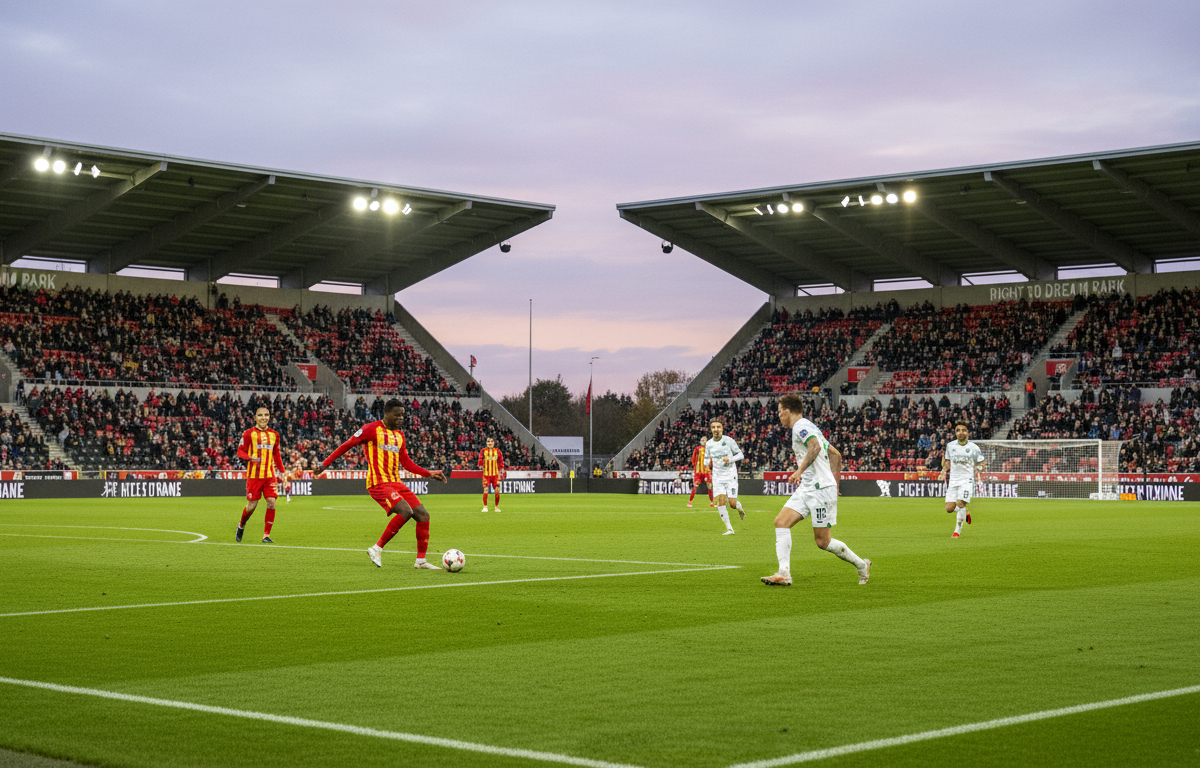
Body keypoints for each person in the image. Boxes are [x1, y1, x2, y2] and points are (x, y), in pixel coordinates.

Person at [317, 398, 448, 568]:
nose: (401, 418)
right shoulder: (371, 429)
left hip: (396, 483)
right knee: (405, 511)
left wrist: (428, 473)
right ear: (386, 414)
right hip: (378, 483)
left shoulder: (400, 436)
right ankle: (377, 548)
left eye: (402, 415)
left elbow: (406, 462)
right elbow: (347, 445)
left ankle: (421, 561)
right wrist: (324, 464)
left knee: (423, 516)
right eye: (397, 415)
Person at [762, 394, 870, 587]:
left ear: (787, 411)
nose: (779, 416)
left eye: (780, 413)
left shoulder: (801, 427)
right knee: (781, 522)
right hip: (809, 487)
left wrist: (799, 471)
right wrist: (835, 484)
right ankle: (784, 573)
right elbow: (835, 455)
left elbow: (815, 447)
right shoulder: (811, 427)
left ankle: (861, 564)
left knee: (823, 542)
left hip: (819, 490)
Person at [235, 406, 286, 544]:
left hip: (270, 475)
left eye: (266, 415)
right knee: (251, 506)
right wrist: (250, 457)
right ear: (255, 418)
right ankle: (241, 525)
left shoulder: (274, 435)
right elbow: (240, 452)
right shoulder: (248, 434)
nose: (264, 418)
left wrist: (282, 472)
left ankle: (266, 535)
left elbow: (276, 454)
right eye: (260, 415)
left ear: (269, 417)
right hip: (254, 476)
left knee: (271, 503)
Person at [939, 420, 985, 539]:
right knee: (949, 508)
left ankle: (957, 531)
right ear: (955, 432)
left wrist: (978, 468)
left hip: (967, 480)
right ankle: (965, 510)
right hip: (953, 481)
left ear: (967, 432)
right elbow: (948, 463)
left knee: (960, 503)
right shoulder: (950, 446)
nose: (961, 433)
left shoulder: (974, 447)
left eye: (963, 430)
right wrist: (943, 472)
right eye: (958, 430)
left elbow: (982, 464)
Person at [704, 419, 745, 535]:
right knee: (719, 502)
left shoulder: (729, 441)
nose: (716, 429)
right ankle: (729, 529)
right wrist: (706, 464)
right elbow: (706, 459)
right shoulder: (709, 444)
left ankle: (739, 507)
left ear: (722, 428)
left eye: (718, 427)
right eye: (713, 427)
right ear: (711, 429)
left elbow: (740, 455)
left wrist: (730, 459)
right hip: (717, 477)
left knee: (732, 504)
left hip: (730, 475)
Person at [478, 437, 504, 512]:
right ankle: (485, 507)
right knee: (486, 490)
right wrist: (482, 466)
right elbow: (480, 462)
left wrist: (500, 473)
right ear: (486, 443)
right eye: (488, 441)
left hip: (495, 475)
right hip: (486, 475)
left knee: (497, 490)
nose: (490, 443)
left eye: (491, 441)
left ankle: (496, 507)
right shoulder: (483, 451)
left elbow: (501, 463)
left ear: (493, 443)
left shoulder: (498, 451)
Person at [687, 440, 715, 509]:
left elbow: (712, 459)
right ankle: (690, 501)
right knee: (695, 485)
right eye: (702, 440)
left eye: (704, 440)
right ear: (700, 441)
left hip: (707, 472)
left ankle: (712, 502)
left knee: (710, 486)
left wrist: (711, 467)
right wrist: (695, 467)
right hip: (699, 471)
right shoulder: (697, 449)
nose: (703, 441)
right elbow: (693, 459)